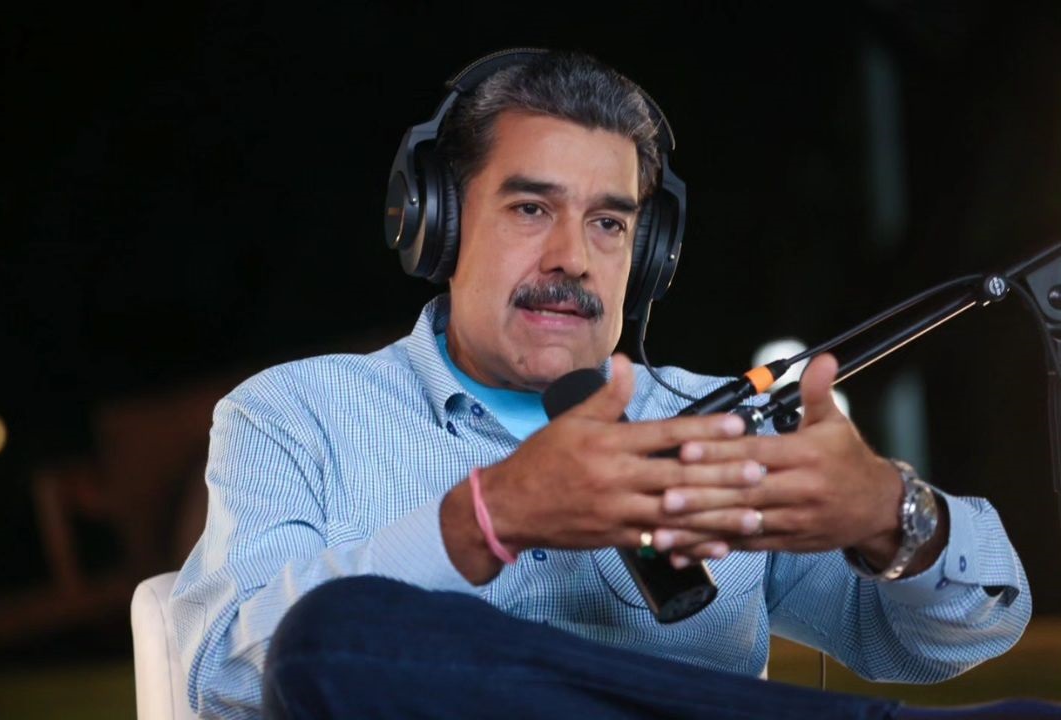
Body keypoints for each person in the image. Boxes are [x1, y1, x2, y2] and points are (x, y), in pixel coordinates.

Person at [171, 49, 1038, 719]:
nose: (573, 259)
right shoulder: (296, 414)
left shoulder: (721, 429)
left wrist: (892, 513)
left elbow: (959, 634)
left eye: (610, 224)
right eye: (531, 209)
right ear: (437, 224)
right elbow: (221, 682)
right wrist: (486, 520)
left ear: (647, 256)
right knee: (334, 634)